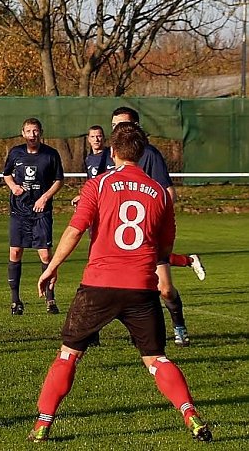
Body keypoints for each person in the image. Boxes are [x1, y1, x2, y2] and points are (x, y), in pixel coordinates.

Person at [27, 122, 212, 443]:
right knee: (157, 359)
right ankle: (190, 414)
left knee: (69, 354)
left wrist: (52, 267)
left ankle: (43, 424)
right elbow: (164, 249)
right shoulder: (160, 194)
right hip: (141, 287)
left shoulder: (98, 185)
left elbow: (75, 230)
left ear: (112, 152)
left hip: (99, 285)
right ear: (142, 155)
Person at [111, 107, 205, 347]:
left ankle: (179, 326)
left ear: (136, 128)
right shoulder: (109, 155)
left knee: (164, 289)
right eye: (114, 125)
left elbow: (169, 193)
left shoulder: (149, 155)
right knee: (117, 288)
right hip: (122, 234)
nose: (117, 129)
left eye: (122, 125)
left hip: (148, 233)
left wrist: (151, 215)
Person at [2, 118, 64, 315]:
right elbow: (6, 174)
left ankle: (50, 298)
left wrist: (45, 197)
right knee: (15, 253)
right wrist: (13, 187)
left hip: (41, 212)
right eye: (28, 131)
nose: (32, 135)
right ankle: (15, 301)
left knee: (45, 255)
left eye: (35, 131)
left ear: (41, 132)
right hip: (19, 211)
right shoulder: (15, 153)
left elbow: (59, 180)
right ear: (23, 133)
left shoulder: (51, 154)